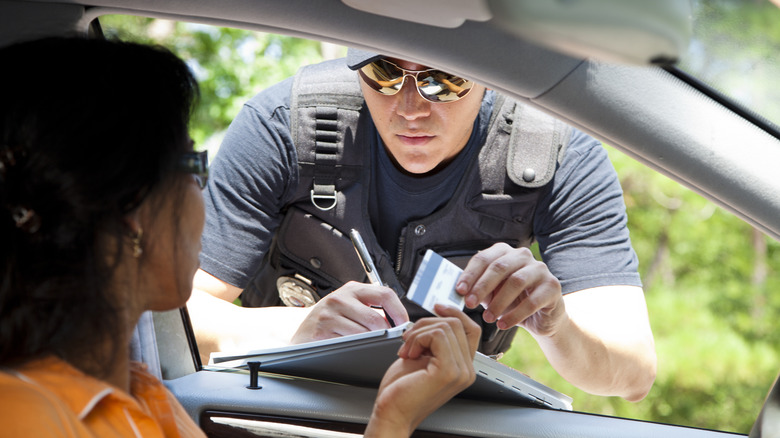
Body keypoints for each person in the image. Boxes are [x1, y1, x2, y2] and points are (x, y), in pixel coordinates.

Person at [0, 37, 479, 437]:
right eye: (192, 165)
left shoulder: (139, 392)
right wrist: (392, 422)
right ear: (131, 213)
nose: (204, 189)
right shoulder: (28, 415)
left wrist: (390, 416)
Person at [189, 49, 657, 402]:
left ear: (491, 74)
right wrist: (295, 331)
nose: (411, 107)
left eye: (445, 80)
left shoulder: (558, 154)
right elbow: (169, 313)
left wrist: (556, 327)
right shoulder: (283, 126)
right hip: (286, 406)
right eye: (384, 73)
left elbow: (632, 373)